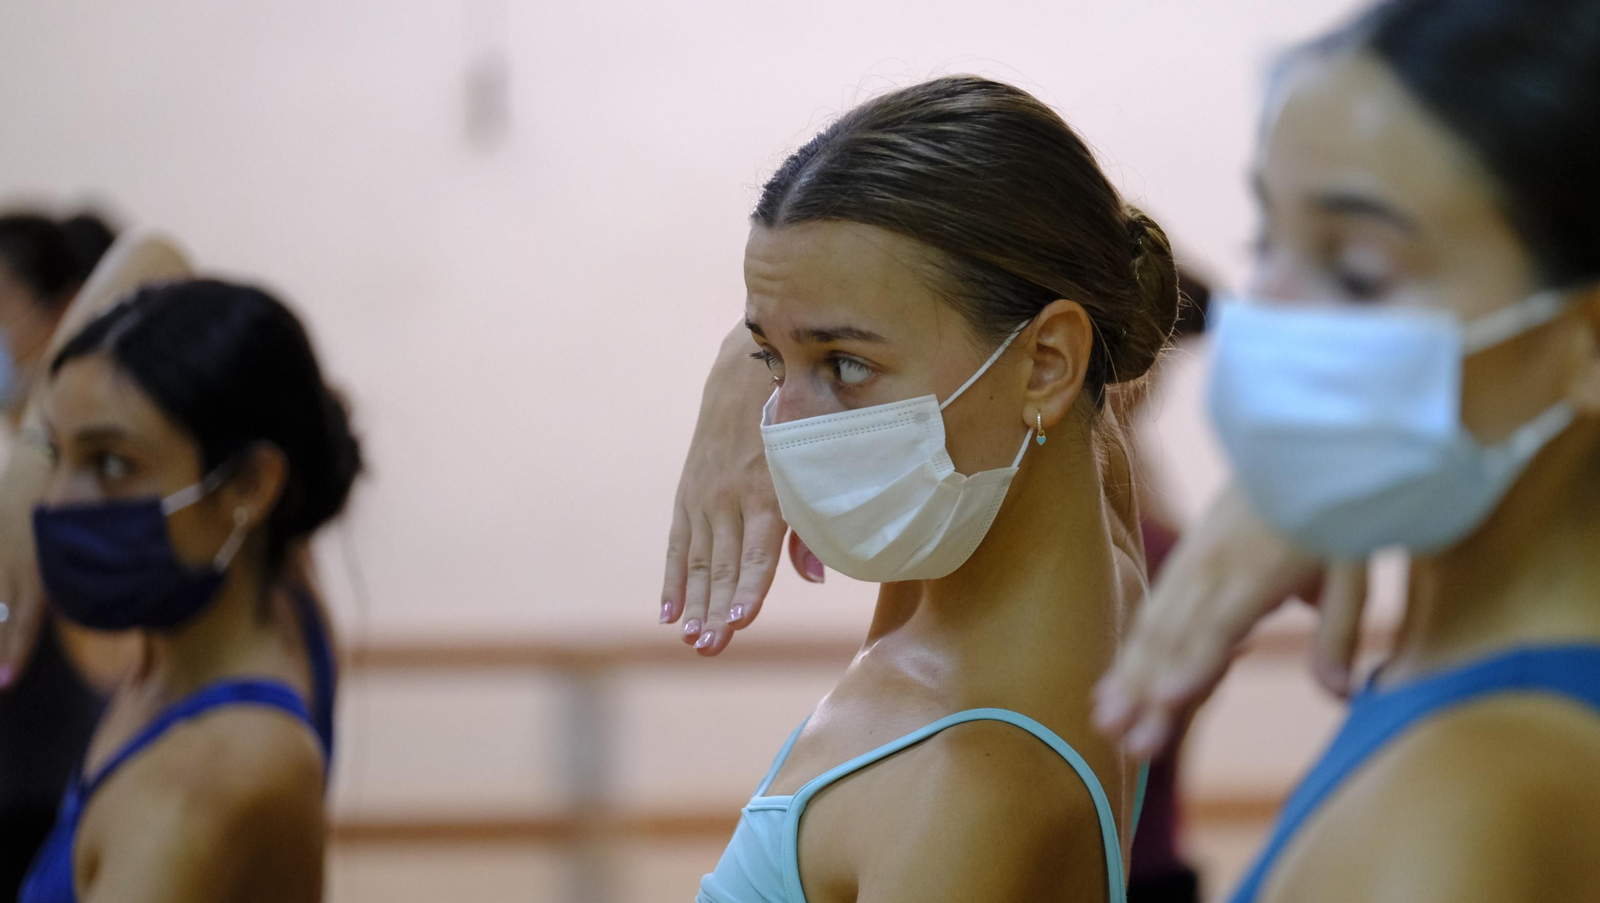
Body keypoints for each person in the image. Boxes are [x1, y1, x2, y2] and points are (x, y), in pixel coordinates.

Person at [1093, 0, 1600, 899]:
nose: (1272, 313)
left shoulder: (1475, 794)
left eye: (1358, 272)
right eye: (1267, 242)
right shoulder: (1456, 681)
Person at [689, 75, 1179, 903]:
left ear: (1049, 364)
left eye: (845, 365)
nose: (785, 424)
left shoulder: (969, 795)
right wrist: (759, 359)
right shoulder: (1087, 577)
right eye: (772, 361)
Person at [17, 279, 362, 903]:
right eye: (57, 456)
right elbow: (155, 260)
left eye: (112, 464)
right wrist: (23, 464)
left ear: (250, 485)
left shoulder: (200, 786)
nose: (58, 503)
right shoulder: (227, 629)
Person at [0, 212, 157, 898]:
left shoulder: (72, 478)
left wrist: (36, 452)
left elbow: (153, 252)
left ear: (63, 310)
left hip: (45, 798)